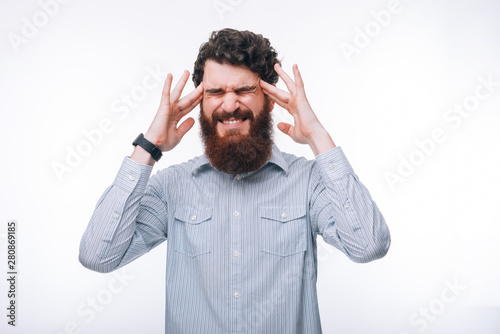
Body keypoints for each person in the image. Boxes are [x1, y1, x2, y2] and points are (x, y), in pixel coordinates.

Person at [79, 28, 390, 333]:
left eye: (244, 90)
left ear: (269, 99)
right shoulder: (172, 186)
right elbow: (98, 256)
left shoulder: (308, 182)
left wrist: (318, 137)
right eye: (215, 92)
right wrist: (149, 145)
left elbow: (368, 246)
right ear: (201, 102)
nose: (229, 105)